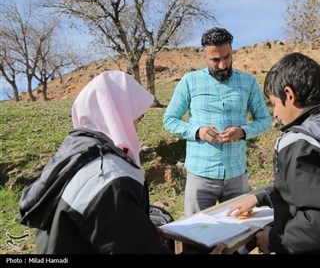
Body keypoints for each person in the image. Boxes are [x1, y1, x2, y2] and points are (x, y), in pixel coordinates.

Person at [18, 71, 227, 254]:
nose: (136, 127)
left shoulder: (73, 154)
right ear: (118, 115)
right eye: (136, 118)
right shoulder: (107, 176)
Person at [227, 53, 320, 254]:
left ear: (289, 94)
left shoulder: (300, 144)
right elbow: (315, 187)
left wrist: (275, 239)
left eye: (274, 103)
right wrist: (260, 197)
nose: (276, 114)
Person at [163, 27, 271, 217]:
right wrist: (197, 131)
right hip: (200, 175)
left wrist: (243, 131)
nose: (223, 65)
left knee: (239, 233)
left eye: (227, 57)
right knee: (196, 235)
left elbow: (264, 120)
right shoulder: (189, 81)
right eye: (215, 60)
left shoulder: (249, 82)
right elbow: (170, 120)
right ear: (204, 57)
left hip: (237, 175)